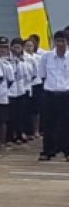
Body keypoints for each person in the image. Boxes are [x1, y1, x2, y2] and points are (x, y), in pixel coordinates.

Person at [37, 31, 69, 161]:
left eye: (63, 41)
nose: (60, 44)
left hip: (66, 94)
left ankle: (67, 151)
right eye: (57, 41)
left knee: (66, 124)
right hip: (50, 93)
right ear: (54, 42)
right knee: (49, 123)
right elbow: (42, 75)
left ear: (67, 42)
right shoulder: (46, 57)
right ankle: (48, 151)